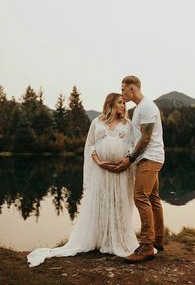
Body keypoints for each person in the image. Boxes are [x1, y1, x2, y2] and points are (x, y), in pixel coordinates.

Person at [27, 93, 139, 267]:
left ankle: (117, 239)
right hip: (101, 171)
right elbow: (90, 146)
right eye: (120, 102)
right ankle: (101, 238)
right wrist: (99, 162)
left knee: (118, 203)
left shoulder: (128, 124)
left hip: (120, 171)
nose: (124, 106)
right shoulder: (97, 122)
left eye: (125, 103)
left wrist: (125, 162)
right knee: (100, 202)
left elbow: (133, 147)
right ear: (110, 104)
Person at [114, 75, 165, 263]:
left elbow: (145, 139)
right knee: (152, 197)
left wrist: (129, 159)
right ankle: (158, 240)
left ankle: (146, 247)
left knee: (140, 197)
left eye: (123, 89)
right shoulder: (139, 109)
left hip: (150, 158)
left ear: (132, 89)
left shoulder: (147, 107)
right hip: (147, 158)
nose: (122, 93)